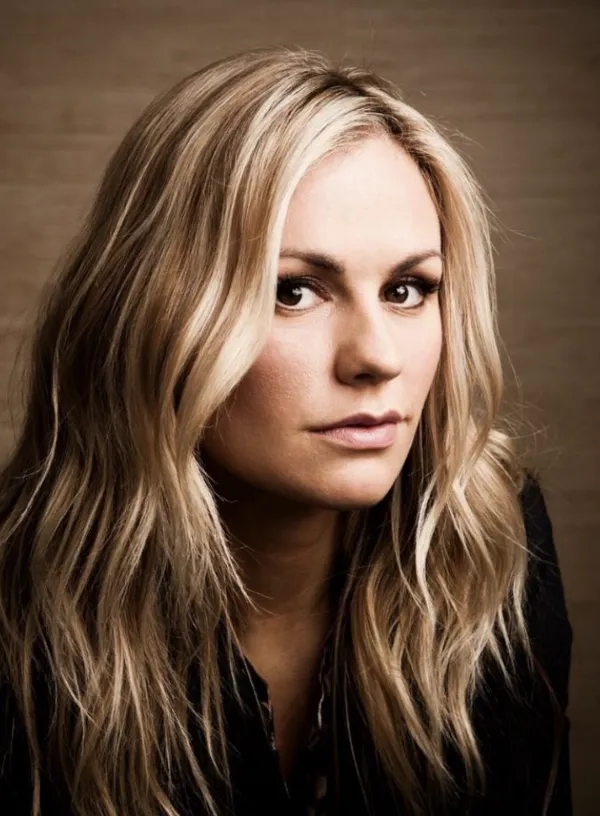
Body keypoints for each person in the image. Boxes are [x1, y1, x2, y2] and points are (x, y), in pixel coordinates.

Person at [0, 45, 572, 816]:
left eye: (408, 289)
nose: (377, 357)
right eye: (294, 291)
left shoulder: (492, 543)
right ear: (158, 314)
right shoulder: (19, 617)